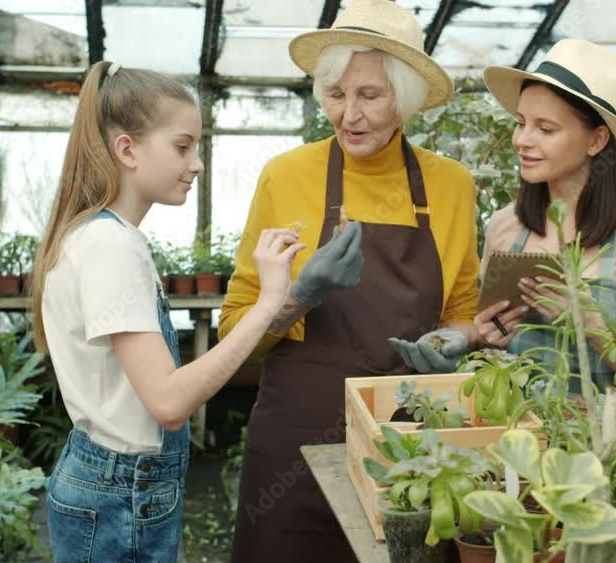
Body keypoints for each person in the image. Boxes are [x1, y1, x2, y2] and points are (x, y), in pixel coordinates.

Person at [220, 1, 481, 560]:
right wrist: (298, 296)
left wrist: (456, 340)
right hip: (294, 440)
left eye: (370, 95)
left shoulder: (452, 186)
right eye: (336, 94)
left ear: (405, 99)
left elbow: (463, 308)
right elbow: (234, 332)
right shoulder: (286, 176)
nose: (348, 115)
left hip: (404, 439)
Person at [31, 61, 305, 563]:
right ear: (127, 149)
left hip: (111, 483)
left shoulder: (101, 236)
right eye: (183, 146)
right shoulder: (110, 246)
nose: (197, 163)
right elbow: (169, 402)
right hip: (122, 494)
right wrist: (267, 303)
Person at [473, 39, 616, 392]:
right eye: (520, 123)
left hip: (612, 444)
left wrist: (590, 322)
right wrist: (485, 335)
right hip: (514, 438)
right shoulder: (504, 225)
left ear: (597, 140)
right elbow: (489, 346)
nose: (522, 140)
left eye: (545, 129)